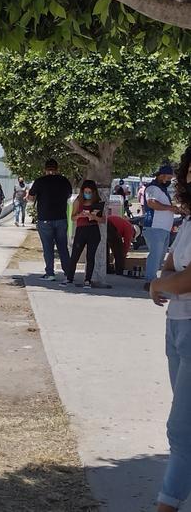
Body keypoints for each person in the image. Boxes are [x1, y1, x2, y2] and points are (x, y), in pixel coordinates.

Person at [149, 147, 191, 512]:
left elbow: (183, 279)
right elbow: (168, 265)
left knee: (181, 431)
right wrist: (165, 281)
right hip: (177, 327)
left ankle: (167, 504)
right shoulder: (189, 222)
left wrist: (160, 285)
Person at [27, 159, 73, 281]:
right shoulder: (64, 181)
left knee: (48, 247)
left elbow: (31, 198)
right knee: (63, 247)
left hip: (45, 218)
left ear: (45, 169)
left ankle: (50, 273)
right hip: (61, 218)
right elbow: (69, 195)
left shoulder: (40, 181)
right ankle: (68, 273)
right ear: (57, 169)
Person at [61, 180, 105, 288]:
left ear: (93, 192)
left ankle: (87, 280)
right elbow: (72, 217)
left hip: (93, 230)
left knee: (90, 256)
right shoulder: (78, 201)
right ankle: (69, 278)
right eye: (86, 192)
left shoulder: (97, 202)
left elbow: (102, 219)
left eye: (90, 192)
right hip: (81, 230)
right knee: (75, 255)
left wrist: (93, 216)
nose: (87, 194)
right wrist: (80, 215)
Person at [144, 165, 177, 291]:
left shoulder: (162, 190)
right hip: (155, 227)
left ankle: (153, 280)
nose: (169, 180)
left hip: (163, 228)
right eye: (168, 178)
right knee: (155, 255)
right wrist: (170, 208)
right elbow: (151, 203)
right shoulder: (153, 188)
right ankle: (149, 281)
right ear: (161, 176)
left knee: (160, 256)